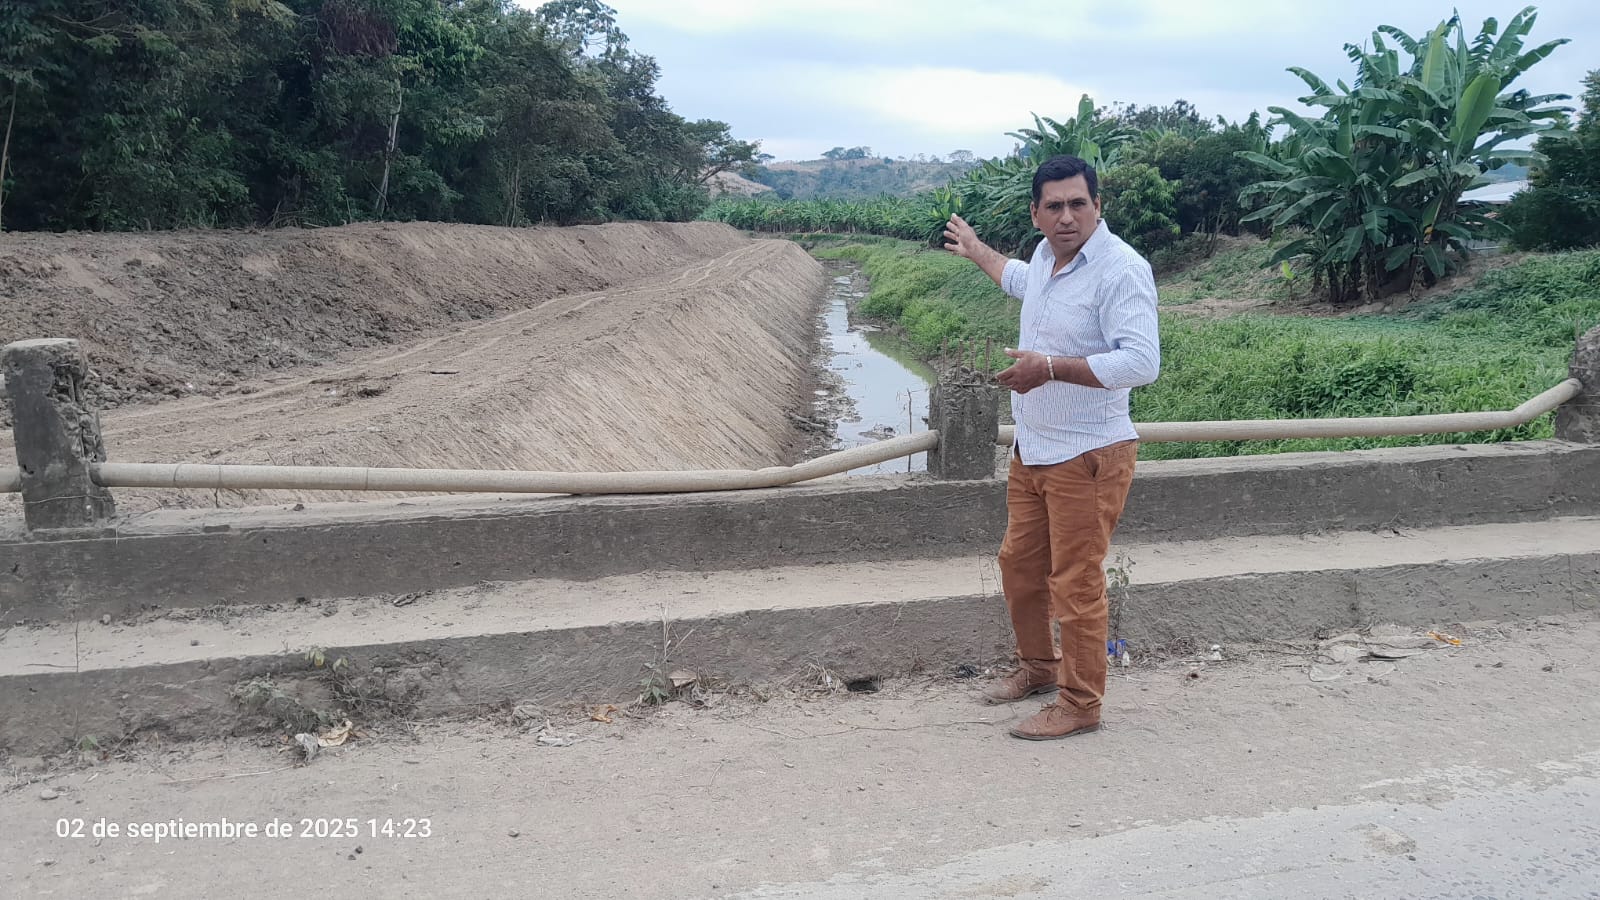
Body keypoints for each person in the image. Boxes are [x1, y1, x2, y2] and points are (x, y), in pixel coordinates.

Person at [942, 154, 1160, 741]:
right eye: (1055, 206)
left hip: (1087, 455)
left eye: (1078, 204)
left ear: (1097, 206)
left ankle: (1081, 703)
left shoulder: (1121, 269)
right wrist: (976, 250)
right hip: (1033, 450)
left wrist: (1052, 368)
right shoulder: (1044, 258)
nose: (1067, 217)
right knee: (1019, 565)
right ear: (1036, 213)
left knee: (1075, 582)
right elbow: (1014, 276)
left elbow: (1141, 362)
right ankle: (1039, 667)